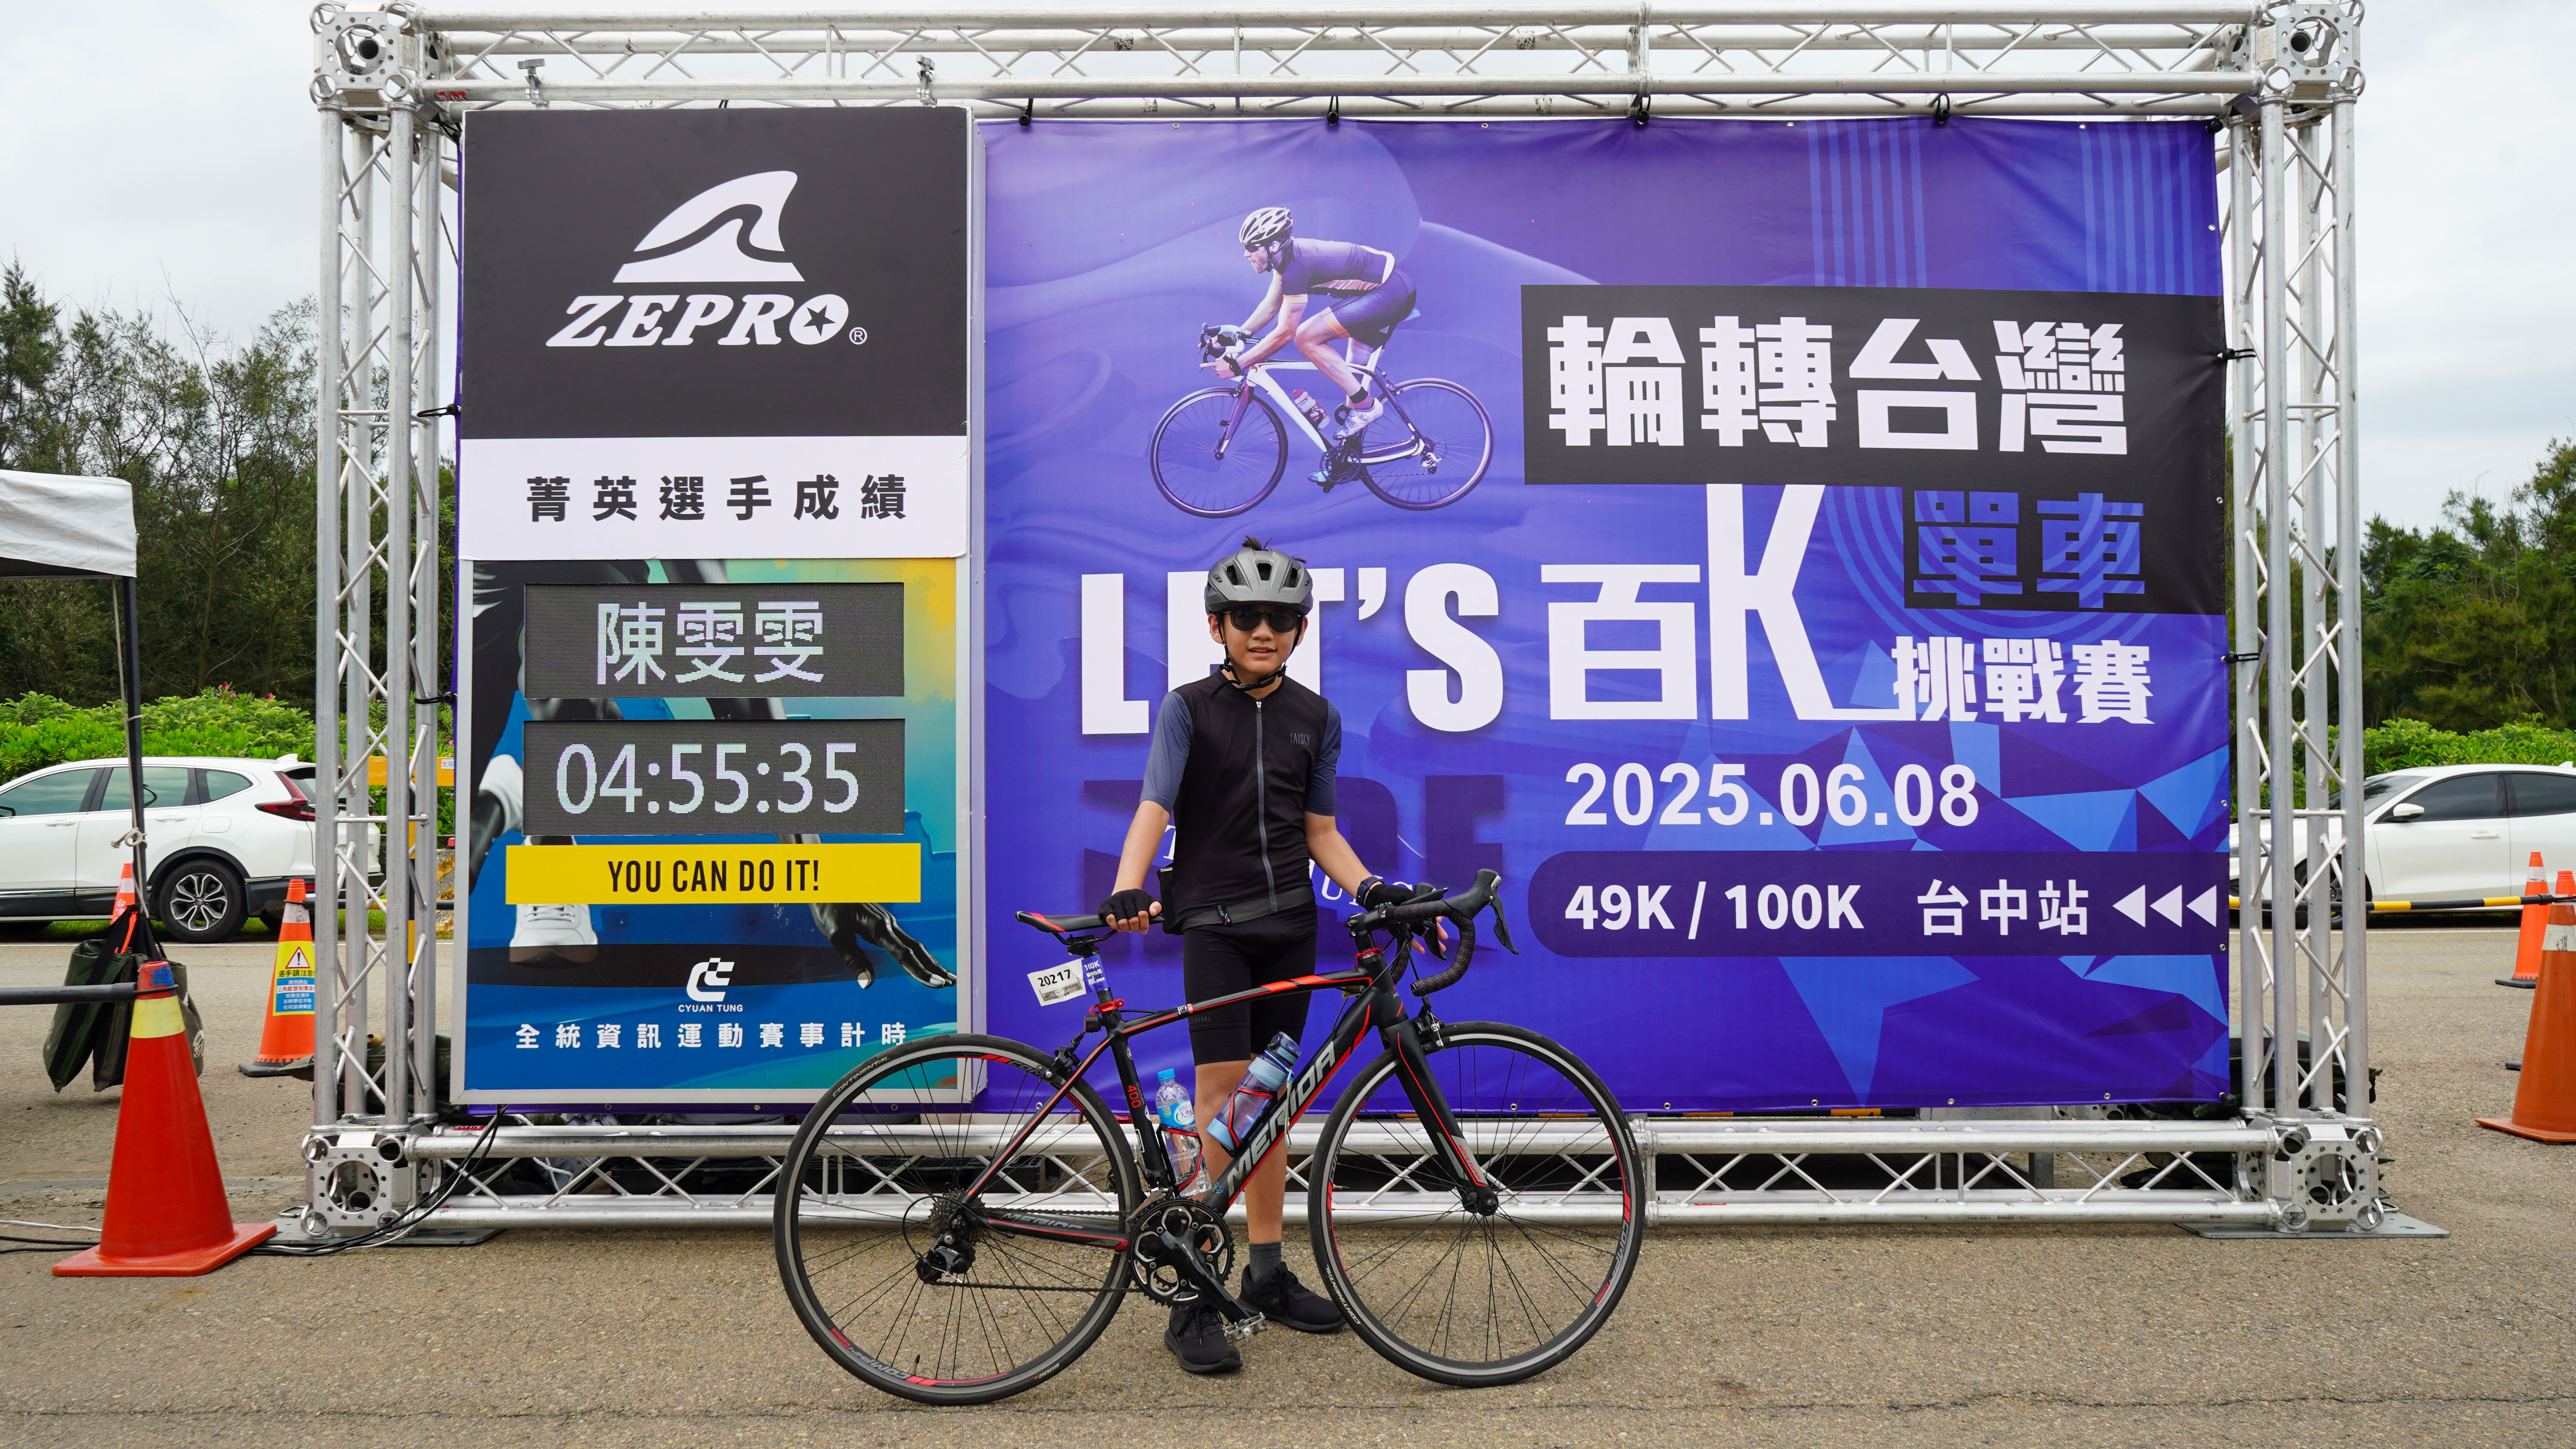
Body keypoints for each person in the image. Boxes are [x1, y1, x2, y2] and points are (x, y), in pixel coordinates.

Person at [1097, 537, 1422, 1375]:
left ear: (1300, 630)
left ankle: (1267, 1272)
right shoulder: (1187, 708)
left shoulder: (1318, 717)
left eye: (1280, 619)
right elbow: (1154, 804)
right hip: (1215, 927)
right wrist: (1129, 883)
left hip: (1290, 929)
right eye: (1247, 618)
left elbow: (1322, 833)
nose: (1264, 631)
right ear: (1218, 626)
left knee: (1269, 1106)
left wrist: (1372, 886)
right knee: (1223, 1101)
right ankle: (1199, 1291)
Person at [1217, 206, 1415, 461]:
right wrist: (1235, 337)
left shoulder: (1296, 268)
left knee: (1306, 337)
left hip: (1390, 293)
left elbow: (1285, 334)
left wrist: (1239, 364)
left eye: (1252, 247)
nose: (1247, 254)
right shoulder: (1285, 262)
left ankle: (1366, 407)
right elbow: (1270, 307)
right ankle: (1347, 459)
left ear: (1273, 246)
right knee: (1351, 390)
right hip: (1384, 290)